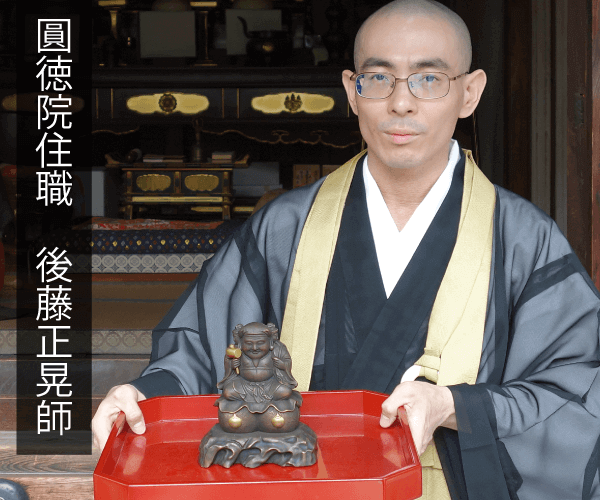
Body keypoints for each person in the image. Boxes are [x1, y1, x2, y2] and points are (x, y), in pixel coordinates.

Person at [92, 1, 600, 498]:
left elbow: (574, 390)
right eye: (378, 78)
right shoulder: (285, 227)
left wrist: (453, 407)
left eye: (429, 79)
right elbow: (202, 350)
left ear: (470, 93)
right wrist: (144, 398)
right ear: (351, 91)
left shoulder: (522, 239)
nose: (401, 103)